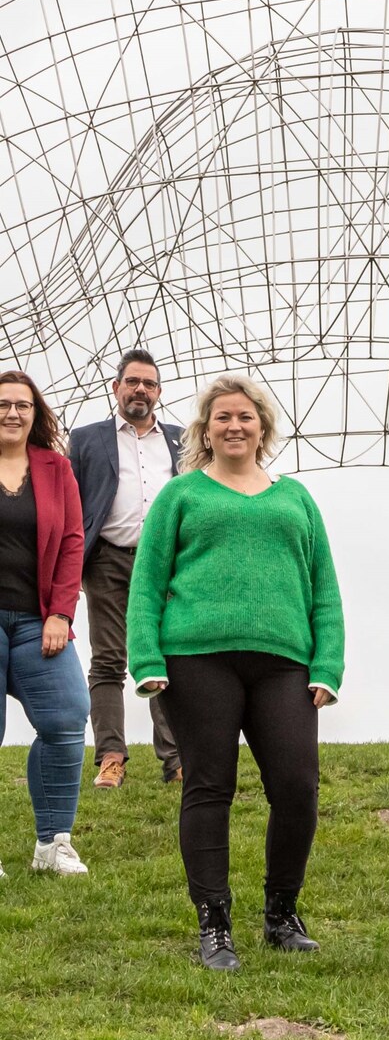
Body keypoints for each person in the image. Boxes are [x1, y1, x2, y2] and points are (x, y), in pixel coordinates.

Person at [126, 375, 345, 970]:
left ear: (262, 428)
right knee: (209, 786)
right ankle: (214, 924)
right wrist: (146, 659)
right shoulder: (181, 495)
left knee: (297, 787)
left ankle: (281, 914)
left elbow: (323, 586)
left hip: (284, 664)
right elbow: (146, 584)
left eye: (245, 417)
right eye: (222, 417)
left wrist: (328, 664)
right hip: (196, 658)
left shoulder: (295, 497)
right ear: (206, 429)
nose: (234, 426)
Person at [69, 349, 182, 788]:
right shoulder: (87, 440)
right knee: (109, 660)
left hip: (167, 564)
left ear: (158, 393)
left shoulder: (182, 440)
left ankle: (175, 762)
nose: (140, 390)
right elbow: (70, 505)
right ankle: (110, 758)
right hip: (107, 560)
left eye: (149, 384)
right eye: (132, 381)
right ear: (115, 388)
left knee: (167, 659)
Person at [0, 370, 90, 877]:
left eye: (22, 405)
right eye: (3, 404)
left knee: (67, 717)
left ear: (36, 415)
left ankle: (52, 844)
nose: (12, 413)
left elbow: (73, 541)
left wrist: (61, 612)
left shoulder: (56, 469)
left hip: (39, 620)